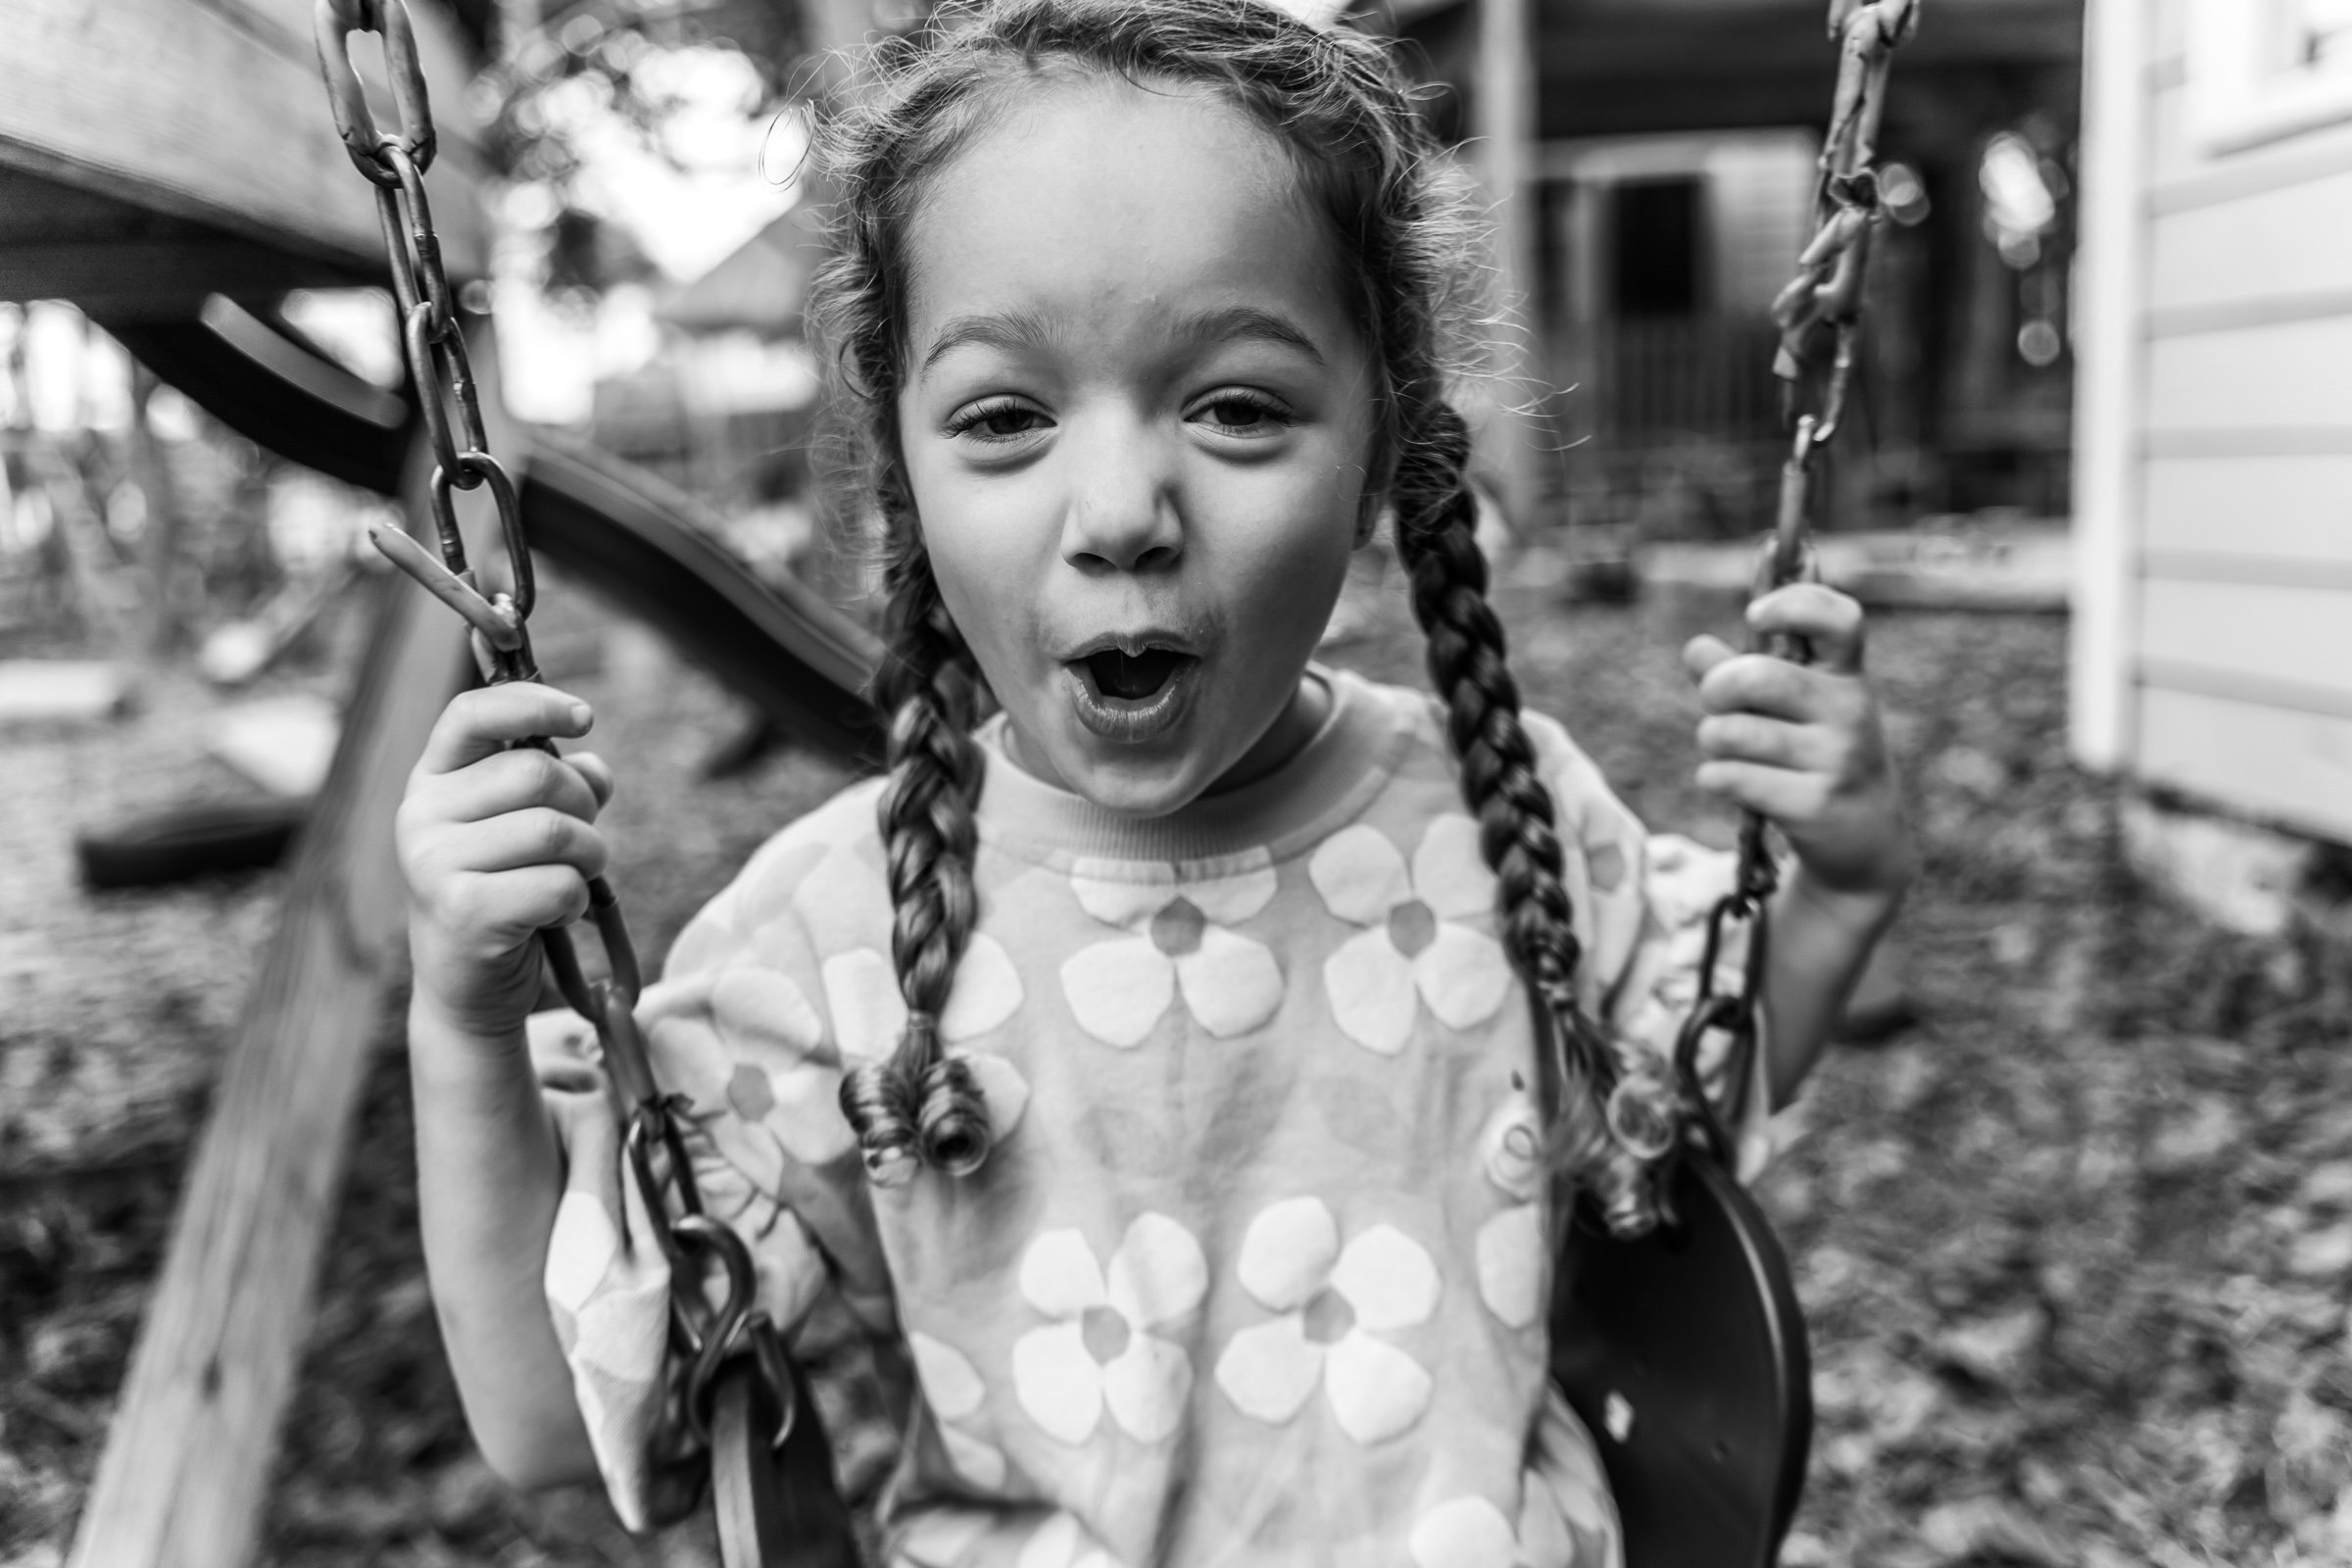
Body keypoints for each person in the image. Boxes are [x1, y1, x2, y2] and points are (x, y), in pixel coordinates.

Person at [394, 0, 1914, 1560]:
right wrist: (463, 1016)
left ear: (1388, 436)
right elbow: (549, 1420)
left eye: (1237, 406)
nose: (1121, 508)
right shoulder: (831, 944)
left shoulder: (1495, 818)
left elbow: (1688, 1110)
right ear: (902, 458)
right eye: (1005, 418)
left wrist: (1840, 886)